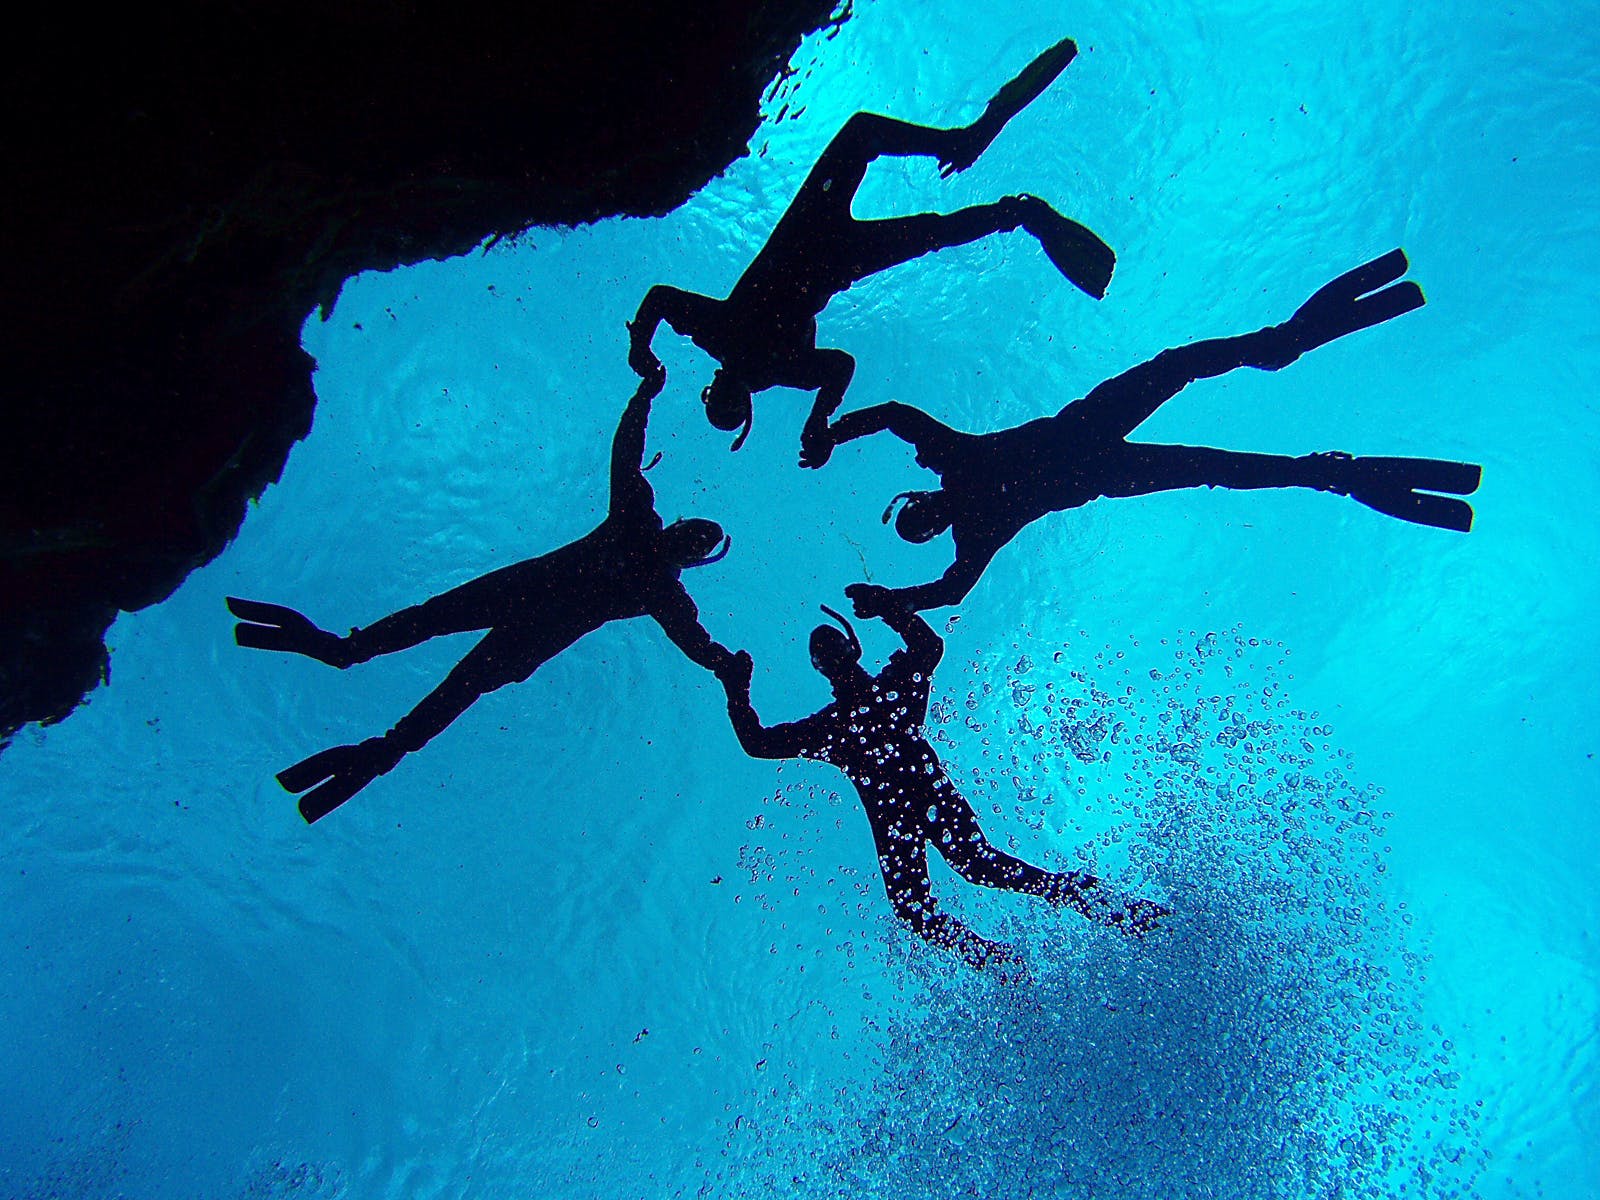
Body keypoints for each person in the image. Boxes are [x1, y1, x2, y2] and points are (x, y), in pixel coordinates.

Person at [820, 248, 1483, 615]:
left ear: (918, 504)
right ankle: (1323, 457)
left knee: (1191, 394)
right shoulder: (967, 503)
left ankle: (1295, 381)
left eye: (919, 515)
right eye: (925, 523)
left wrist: (833, 427)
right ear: (930, 519)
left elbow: (893, 418)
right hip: (1101, 462)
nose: (930, 516)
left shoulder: (955, 468)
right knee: (1209, 443)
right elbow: (950, 585)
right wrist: (889, 599)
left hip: (1094, 443)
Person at [228, 367, 737, 822]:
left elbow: (695, 640)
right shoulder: (643, 540)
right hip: (525, 607)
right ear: (681, 528)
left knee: (455, 675)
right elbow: (626, 454)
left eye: (697, 539)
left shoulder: (657, 572)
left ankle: (374, 729)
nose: (688, 537)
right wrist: (642, 399)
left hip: (527, 613)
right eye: (695, 530)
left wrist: (723, 665)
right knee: (437, 643)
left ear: (691, 555)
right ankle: (348, 672)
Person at [627, 35, 1115, 465]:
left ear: (709, 390)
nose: (727, 398)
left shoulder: (724, 338)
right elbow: (839, 367)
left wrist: (641, 348)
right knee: (926, 222)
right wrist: (818, 421)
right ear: (746, 407)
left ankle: (974, 158)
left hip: (808, 233)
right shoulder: (763, 361)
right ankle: (1014, 209)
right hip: (830, 255)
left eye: (716, 403)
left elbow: (660, 300)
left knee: (876, 153)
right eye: (732, 409)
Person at [713, 592, 1166, 973]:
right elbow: (928, 648)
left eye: (829, 651)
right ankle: (1011, 957)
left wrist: (736, 689)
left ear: (839, 656)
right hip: (915, 803)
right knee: (947, 887)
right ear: (835, 660)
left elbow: (758, 742)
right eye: (825, 654)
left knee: (961, 879)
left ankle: (1032, 945)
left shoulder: (848, 717)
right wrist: (889, 608)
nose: (830, 660)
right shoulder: (878, 698)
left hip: (905, 807)